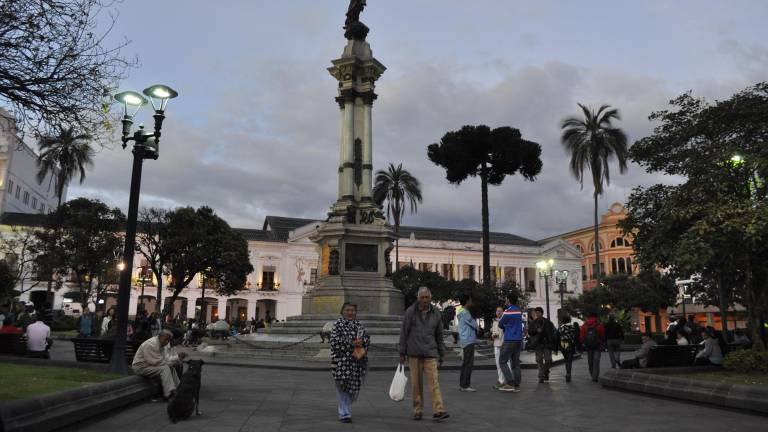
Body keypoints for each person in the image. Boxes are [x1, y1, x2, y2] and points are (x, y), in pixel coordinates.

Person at [398, 287, 449, 422]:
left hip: (430, 352)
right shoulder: (410, 312)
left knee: (434, 383)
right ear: (418, 298)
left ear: (430, 298)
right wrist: (402, 352)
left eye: (427, 297)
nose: (425, 300)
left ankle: (438, 410)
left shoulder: (436, 313)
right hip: (414, 353)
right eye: (422, 297)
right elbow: (404, 332)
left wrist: (441, 353)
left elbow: (439, 335)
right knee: (416, 384)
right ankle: (417, 410)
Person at [331, 303, 370, 423]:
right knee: (342, 386)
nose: (350, 313)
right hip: (341, 362)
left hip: (355, 362)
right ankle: (344, 413)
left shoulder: (359, 325)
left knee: (352, 387)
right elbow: (334, 341)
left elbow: (367, 339)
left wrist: (362, 342)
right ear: (342, 311)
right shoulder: (338, 325)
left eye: (352, 310)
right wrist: (351, 343)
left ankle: (345, 409)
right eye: (347, 310)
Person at [132, 329, 180, 399]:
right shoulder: (152, 344)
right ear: (161, 337)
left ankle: (178, 388)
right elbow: (157, 362)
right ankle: (168, 393)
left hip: (149, 365)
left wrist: (172, 363)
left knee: (171, 368)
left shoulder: (161, 344)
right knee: (165, 368)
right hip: (140, 367)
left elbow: (164, 360)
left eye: (169, 340)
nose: (167, 342)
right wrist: (171, 363)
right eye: (166, 340)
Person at [497, 291, 523, 393]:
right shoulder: (519, 311)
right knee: (515, 362)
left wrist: (506, 327)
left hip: (509, 339)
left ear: (509, 300)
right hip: (518, 340)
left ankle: (510, 383)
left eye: (506, 299)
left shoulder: (508, 311)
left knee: (502, 361)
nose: (505, 300)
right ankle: (517, 382)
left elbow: (500, 324)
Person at [528, 307, 555, 383]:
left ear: (542, 313)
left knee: (548, 360)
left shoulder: (548, 322)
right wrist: (536, 330)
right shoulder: (533, 323)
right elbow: (530, 332)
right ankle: (541, 376)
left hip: (547, 344)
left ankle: (546, 371)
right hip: (538, 344)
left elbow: (552, 332)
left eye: (538, 312)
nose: (537, 314)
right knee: (539, 360)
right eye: (536, 312)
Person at [456, 294, 477, 392]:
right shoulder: (465, 312)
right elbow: (474, 325)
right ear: (467, 301)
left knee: (465, 363)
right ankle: (466, 385)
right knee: (468, 363)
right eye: (470, 300)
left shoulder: (460, 311)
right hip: (469, 340)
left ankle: (462, 384)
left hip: (464, 339)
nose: (471, 302)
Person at [579, 312, 606, 382]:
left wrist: (583, 343)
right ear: (596, 317)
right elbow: (602, 335)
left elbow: (581, 336)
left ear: (588, 317)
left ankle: (592, 374)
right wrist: (602, 343)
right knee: (596, 361)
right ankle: (595, 376)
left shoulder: (584, 325)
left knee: (590, 361)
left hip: (588, 346)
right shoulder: (600, 325)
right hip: (597, 346)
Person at [556, 310, 578, 382]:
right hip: (570, 343)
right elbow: (575, 336)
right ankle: (568, 373)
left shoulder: (560, 327)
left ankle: (568, 373)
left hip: (563, 344)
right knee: (569, 360)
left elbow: (557, 336)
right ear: (569, 320)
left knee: (566, 359)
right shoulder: (572, 327)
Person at [490, 305, 508, 388]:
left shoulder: (505, 321)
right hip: (496, 344)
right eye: (497, 311)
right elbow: (493, 332)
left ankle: (508, 380)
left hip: (504, 344)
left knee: (507, 362)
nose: (498, 312)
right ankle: (501, 380)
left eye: (500, 311)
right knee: (498, 363)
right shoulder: (494, 322)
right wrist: (493, 335)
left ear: (503, 312)